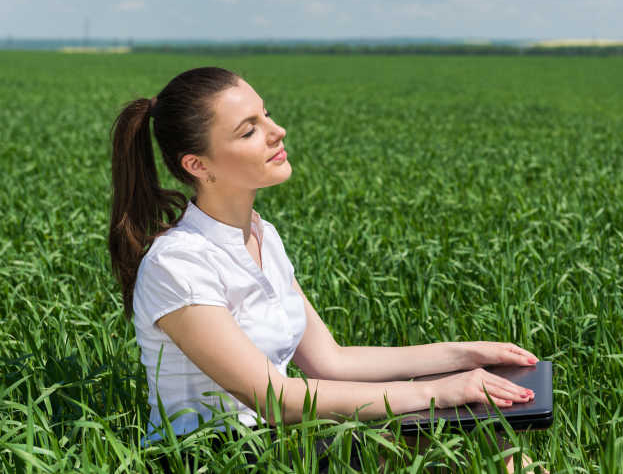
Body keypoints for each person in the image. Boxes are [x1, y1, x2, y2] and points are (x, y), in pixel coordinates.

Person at [108, 66, 539, 472]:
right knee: (466, 441)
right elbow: (276, 399)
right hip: (210, 454)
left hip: (277, 437)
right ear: (197, 165)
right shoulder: (178, 263)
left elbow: (331, 361)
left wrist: (467, 355)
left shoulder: (262, 235)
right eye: (249, 130)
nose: (277, 132)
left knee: (488, 436)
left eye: (267, 115)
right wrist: (433, 392)